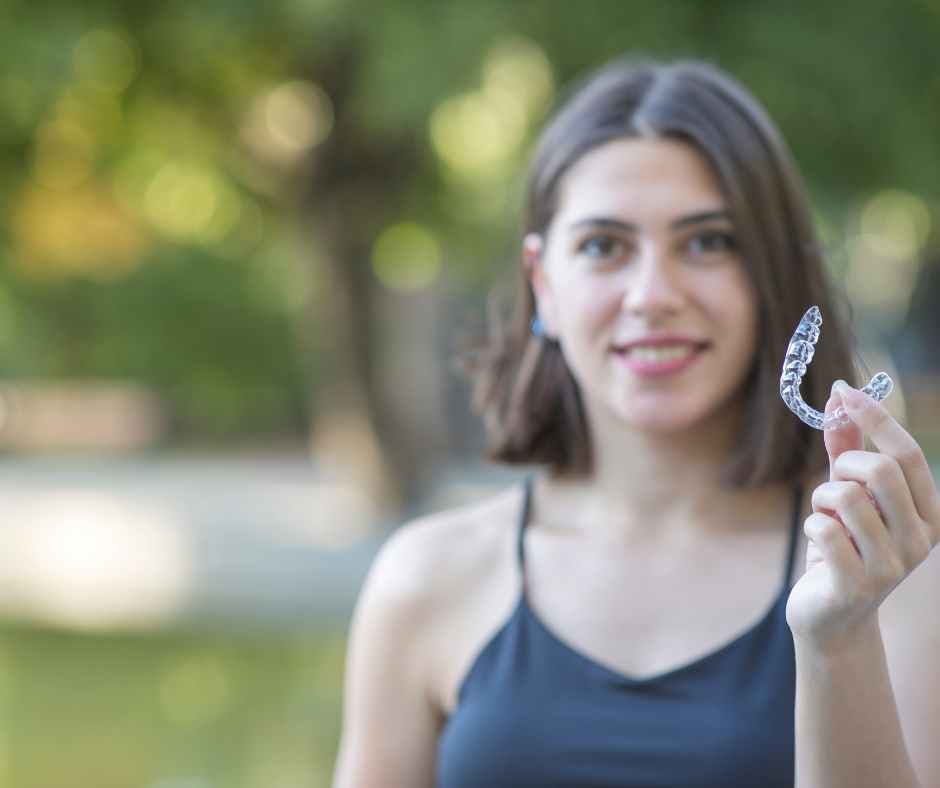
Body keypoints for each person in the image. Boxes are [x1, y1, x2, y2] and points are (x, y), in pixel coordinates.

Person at [331, 58, 940, 787]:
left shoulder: (895, 574)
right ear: (543, 284)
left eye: (708, 241)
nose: (653, 294)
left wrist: (838, 639)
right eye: (603, 247)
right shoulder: (427, 578)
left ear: (772, 275)